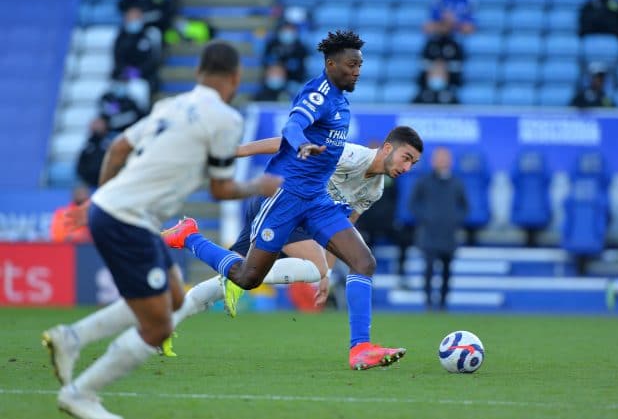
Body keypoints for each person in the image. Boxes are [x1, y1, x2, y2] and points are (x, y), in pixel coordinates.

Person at [41, 40, 282, 419]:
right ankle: (81, 394)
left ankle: (72, 339)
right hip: (128, 219)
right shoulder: (225, 119)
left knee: (173, 297)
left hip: (120, 210)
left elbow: (118, 147)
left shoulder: (169, 105)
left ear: (199, 72)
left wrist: (99, 199)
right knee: (158, 327)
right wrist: (258, 186)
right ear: (234, 79)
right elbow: (221, 189)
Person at [158, 30, 409, 371]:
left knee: (363, 261)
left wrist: (327, 271)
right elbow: (294, 124)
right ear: (331, 63)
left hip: (317, 200)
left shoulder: (341, 102)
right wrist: (300, 142)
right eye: (351, 64)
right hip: (285, 196)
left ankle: (360, 348)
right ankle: (188, 236)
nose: (357, 71)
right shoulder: (319, 94)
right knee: (247, 277)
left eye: (360, 65)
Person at [160, 126, 423, 356]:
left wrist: (327, 273)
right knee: (301, 268)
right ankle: (189, 238)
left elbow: (344, 230)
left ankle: (166, 324)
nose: (407, 168)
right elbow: (288, 143)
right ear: (387, 148)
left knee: (235, 276)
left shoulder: (374, 190)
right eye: (406, 158)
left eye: (413, 163)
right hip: (280, 201)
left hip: (297, 220)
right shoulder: (350, 155)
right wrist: (239, 151)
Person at [408, 147, 467, 310]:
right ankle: (428, 302)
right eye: (438, 158)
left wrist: (455, 219)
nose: (441, 161)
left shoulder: (457, 182)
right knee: (428, 269)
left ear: (450, 160)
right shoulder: (424, 181)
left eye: (444, 158)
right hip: (429, 234)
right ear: (433, 160)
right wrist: (426, 217)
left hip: (448, 234)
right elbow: (413, 204)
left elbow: (465, 206)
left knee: (447, 270)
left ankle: (443, 303)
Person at [112, 6, 162, 92]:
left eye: (136, 18)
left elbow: (152, 59)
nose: (134, 21)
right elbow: (118, 58)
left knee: (141, 88)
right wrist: (125, 70)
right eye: (131, 18)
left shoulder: (148, 35)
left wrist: (140, 71)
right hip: (124, 75)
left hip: (145, 75)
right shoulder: (121, 37)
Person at [262, 21, 308, 87]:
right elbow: (266, 61)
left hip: (295, 81)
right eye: (285, 30)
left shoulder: (301, 48)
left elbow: (302, 68)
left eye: (290, 30)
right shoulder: (272, 45)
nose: (288, 32)